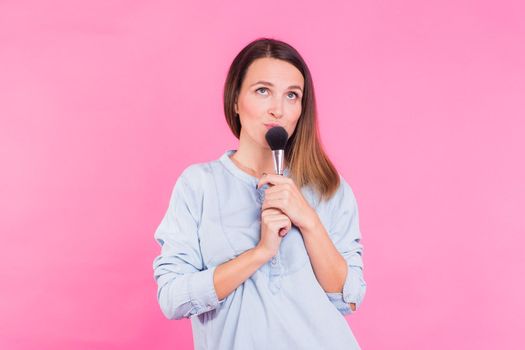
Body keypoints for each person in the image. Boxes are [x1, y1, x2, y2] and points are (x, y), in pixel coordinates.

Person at [152, 37, 367, 350]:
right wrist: (261, 253)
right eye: (262, 91)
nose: (277, 109)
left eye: (292, 95)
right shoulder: (199, 185)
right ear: (236, 100)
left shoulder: (328, 187)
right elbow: (173, 299)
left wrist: (308, 220)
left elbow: (348, 299)